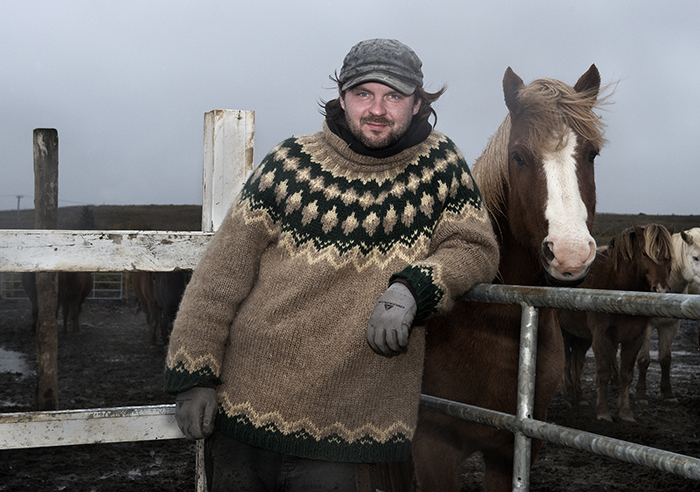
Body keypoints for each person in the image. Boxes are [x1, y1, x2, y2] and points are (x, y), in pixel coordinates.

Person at [164, 38, 499, 491]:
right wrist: (194, 374)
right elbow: (221, 275)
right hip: (241, 415)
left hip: (347, 432)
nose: (377, 108)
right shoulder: (290, 164)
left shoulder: (440, 168)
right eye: (364, 93)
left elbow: (475, 247)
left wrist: (414, 287)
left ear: (418, 104)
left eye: (394, 96)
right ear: (342, 98)